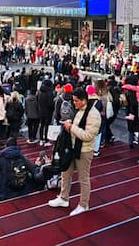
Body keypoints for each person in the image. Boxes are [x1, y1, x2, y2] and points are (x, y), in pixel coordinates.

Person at [48, 87, 101, 216]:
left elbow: (88, 136)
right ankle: (63, 198)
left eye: (76, 101)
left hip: (84, 151)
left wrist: (71, 127)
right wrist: (71, 124)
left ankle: (84, 204)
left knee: (83, 179)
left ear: (84, 100)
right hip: (72, 148)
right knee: (65, 173)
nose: (74, 103)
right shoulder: (80, 110)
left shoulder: (93, 114)